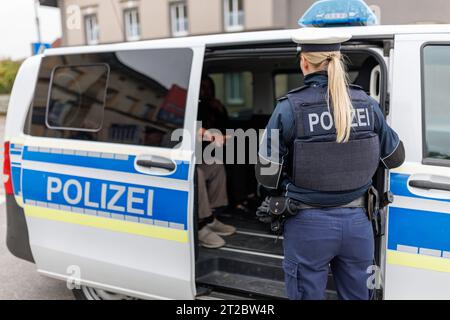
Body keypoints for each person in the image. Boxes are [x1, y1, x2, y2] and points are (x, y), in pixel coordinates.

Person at [255, 29, 405, 300]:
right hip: (359, 225)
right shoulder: (368, 105)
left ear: (304, 62)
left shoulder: (289, 108)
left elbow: (267, 175)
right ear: (338, 58)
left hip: (307, 226)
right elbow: (395, 157)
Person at [197, 76, 236, 249]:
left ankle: (211, 217)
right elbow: (192, 127)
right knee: (195, 173)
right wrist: (212, 136)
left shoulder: (213, 106)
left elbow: (224, 127)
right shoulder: (190, 103)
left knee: (215, 165)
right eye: (202, 87)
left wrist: (220, 111)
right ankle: (199, 224)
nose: (205, 91)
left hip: (201, 153)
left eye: (208, 87)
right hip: (179, 156)